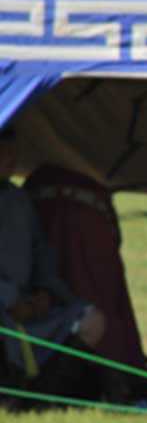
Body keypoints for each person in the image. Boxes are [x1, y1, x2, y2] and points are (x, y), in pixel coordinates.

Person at [0, 128, 108, 390]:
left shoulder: (19, 201)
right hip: (5, 310)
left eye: (14, 154)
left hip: (27, 313)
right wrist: (10, 300)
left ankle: (43, 395)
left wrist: (45, 295)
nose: (11, 161)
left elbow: (42, 257)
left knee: (91, 322)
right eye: (4, 154)